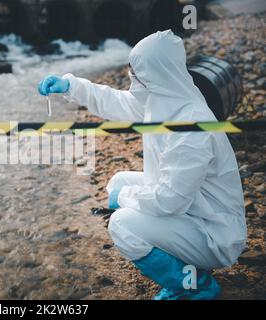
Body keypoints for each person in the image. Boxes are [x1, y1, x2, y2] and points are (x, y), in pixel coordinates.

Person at [38, 30, 246, 300]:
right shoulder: (166, 99)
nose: (131, 76)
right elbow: (118, 102)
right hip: (195, 206)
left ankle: (194, 284)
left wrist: (124, 199)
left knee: (122, 224)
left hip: (213, 232)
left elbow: (169, 200)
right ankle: (179, 254)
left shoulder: (190, 127)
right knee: (119, 181)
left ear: (155, 72)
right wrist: (72, 86)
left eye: (136, 70)